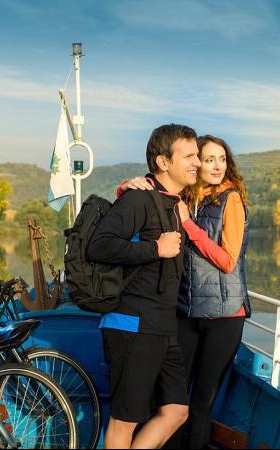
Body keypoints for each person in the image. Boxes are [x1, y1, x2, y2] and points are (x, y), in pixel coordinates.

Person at [120, 134, 250, 449]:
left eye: (222, 158)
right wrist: (126, 187)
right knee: (171, 400)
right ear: (195, 164)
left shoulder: (230, 199)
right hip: (185, 312)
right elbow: (147, 196)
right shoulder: (184, 197)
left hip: (224, 316)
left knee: (201, 402)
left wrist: (189, 225)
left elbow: (227, 261)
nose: (217, 166)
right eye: (208, 159)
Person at [87, 124, 202, 449]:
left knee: (177, 411)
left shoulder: (171, 203)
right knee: (124, 422)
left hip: (163, 327)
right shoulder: (137, 200)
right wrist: (155, 249)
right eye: (190, 155)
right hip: (133, 324)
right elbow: (99, 245)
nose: (197, 162)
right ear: (163, 162)